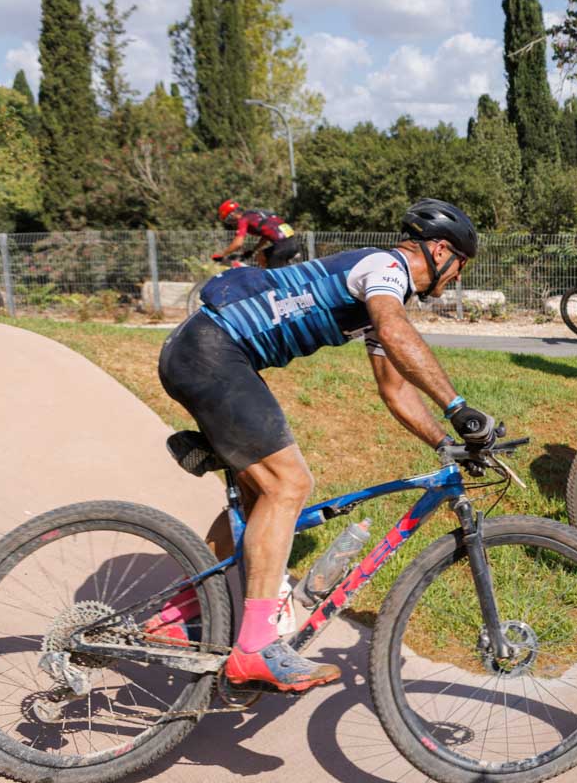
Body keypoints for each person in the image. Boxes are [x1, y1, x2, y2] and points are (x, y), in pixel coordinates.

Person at [153, 198, 496, 692]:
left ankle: (174, 615)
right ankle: (253, 648)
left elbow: (395, 388)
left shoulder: (381, 302)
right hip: (212, 353)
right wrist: (457, 404)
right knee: (289, 485)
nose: (457, 278)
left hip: (209, 352)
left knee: (258, 497)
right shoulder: (385, 269)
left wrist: (447, 442)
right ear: (440, 250)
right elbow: (398, 331)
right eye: (460, 265)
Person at [214, 199, 301, 269]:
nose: (232, 224)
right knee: (260, 256)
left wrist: (222, 255)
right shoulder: (253, 213)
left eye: (229, 221)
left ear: (232, 215)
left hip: (282, 247)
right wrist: (253, 250)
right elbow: (266, 236)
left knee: (272, 279)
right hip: (292, 242)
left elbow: (238, 243)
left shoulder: (243, 220)